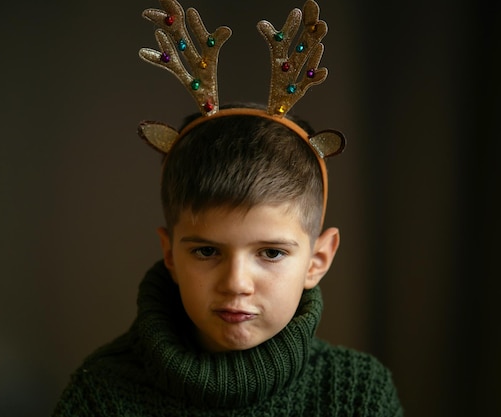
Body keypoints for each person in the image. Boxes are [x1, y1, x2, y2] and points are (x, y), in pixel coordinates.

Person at [52, 1, 403, 415]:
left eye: (271, 253)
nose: (236, 283)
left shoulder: (357, 393)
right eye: (206, 251)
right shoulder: (102, 394)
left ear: (318, 259)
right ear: (169, 254)